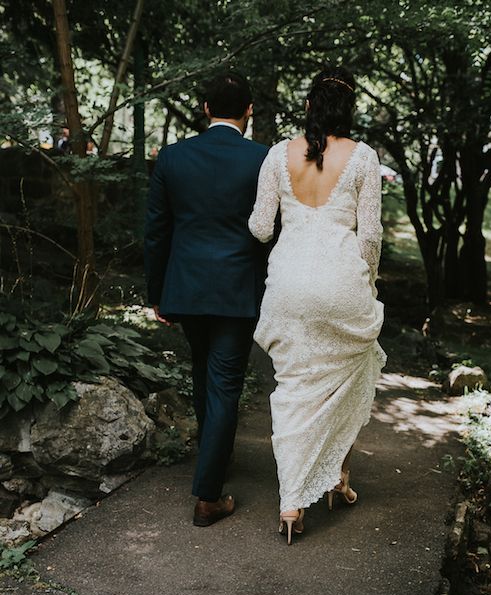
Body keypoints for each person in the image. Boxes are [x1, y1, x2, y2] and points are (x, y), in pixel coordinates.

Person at [249, 66, 386, 545]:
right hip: (340, 281)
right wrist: (366, 279)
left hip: (288, 283)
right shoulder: (364, 157)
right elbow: (369, 237)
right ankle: (338, 478)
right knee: (347, 377)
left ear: (308, 106)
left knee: (294, 389)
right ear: (348, 110)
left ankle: (291, 505)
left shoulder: (275, 155)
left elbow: (262, 228)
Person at [144, 72, 268, 527]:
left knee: (203, 370)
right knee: (224, 383)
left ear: (204, 107)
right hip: (237, 288)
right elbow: (271, 230)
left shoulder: (173, 157)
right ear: (249, 110)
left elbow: (157, 231)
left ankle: (213, 459)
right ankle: (209, 494)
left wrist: (156, 293)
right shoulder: (263, 159)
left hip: (188, 286)